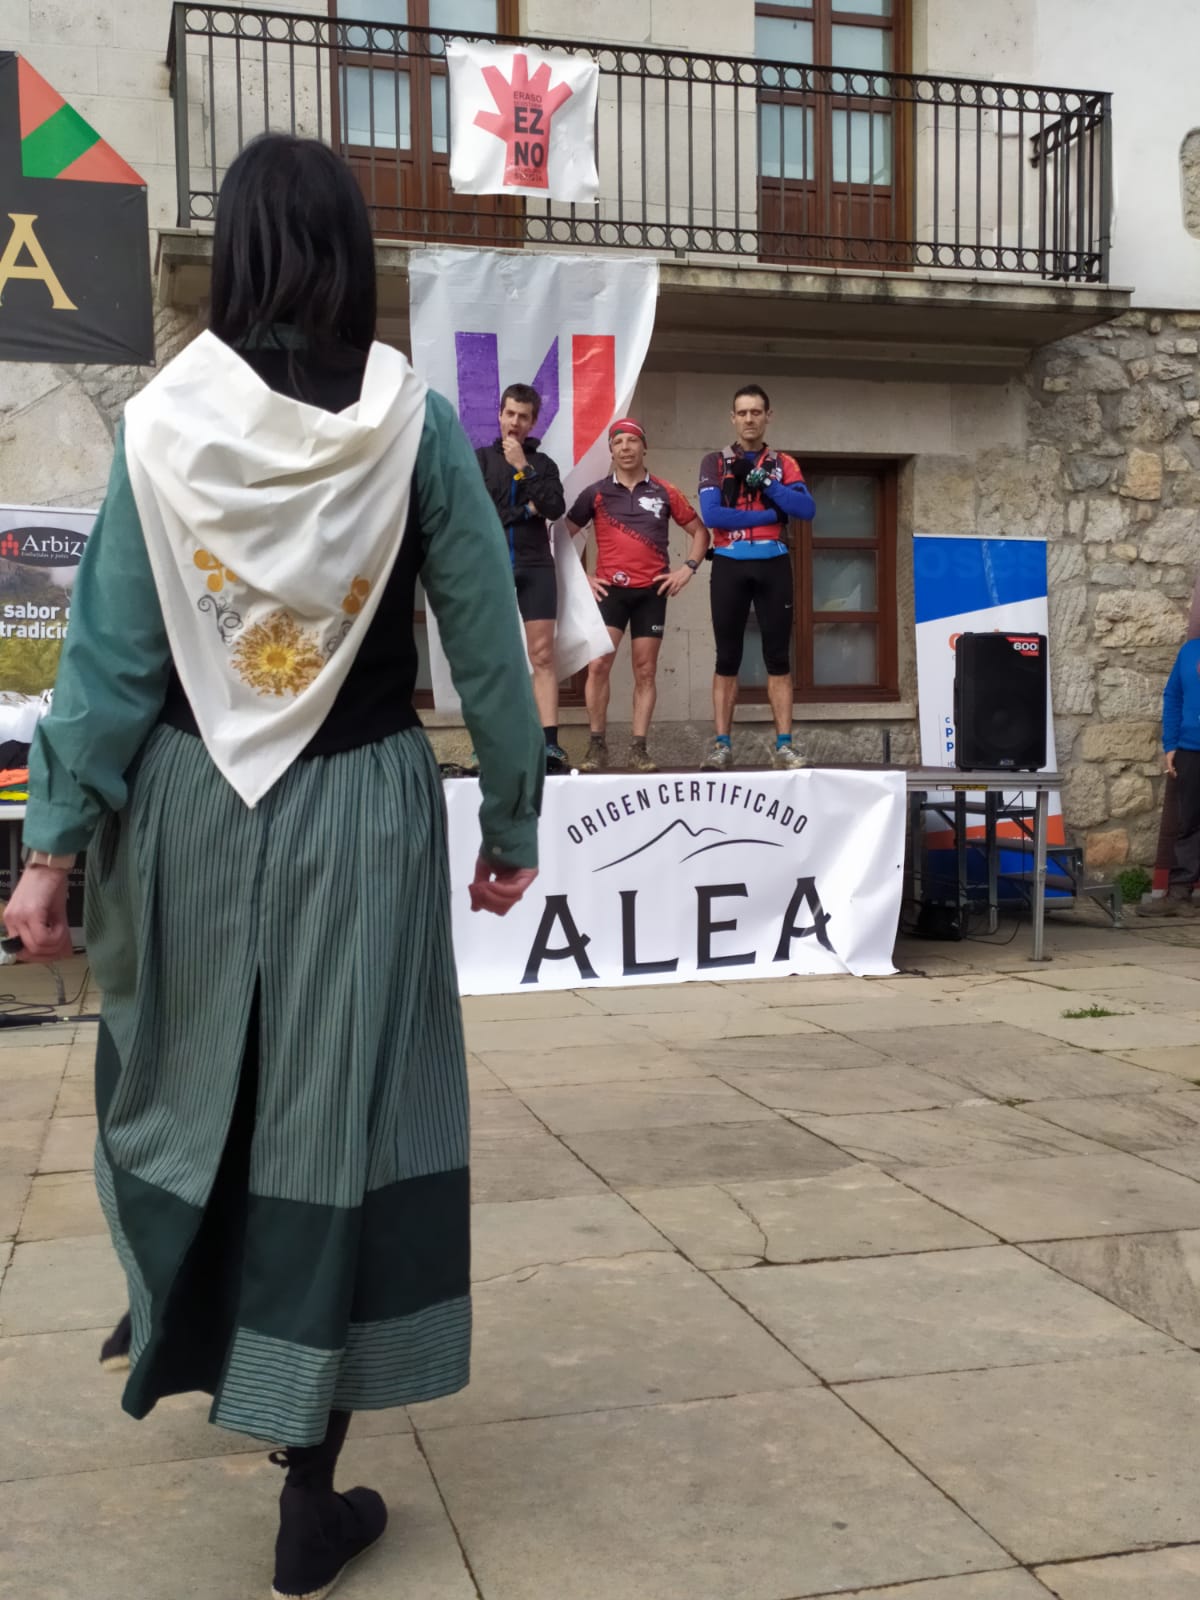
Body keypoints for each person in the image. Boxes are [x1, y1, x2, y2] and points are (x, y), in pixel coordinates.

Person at [3, 133, 544, 1600]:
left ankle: (177, 1307)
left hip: (190, 803)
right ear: (352, 253)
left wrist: (50, 851)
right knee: (338, 1117)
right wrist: (511, 824)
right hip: (361, 802)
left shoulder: (164, 422)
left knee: (191, 1077)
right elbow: (486, 648)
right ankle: (310, 1481)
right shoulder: (412, 424)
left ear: (237, 252)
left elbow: (109, 660)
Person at [566, 418, 705, 773]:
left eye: (632, 441)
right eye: (618, 442)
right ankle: (596, 746)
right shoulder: (596, 493)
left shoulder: (665, 491)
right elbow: (561, 537)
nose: (625, 448)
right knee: (598, 666)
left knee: (645, 671)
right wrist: (581, 578)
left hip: (650, 593)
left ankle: (638, 749)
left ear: (644, 447)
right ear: (611, 451)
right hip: (610, 591)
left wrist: (687, 569)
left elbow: (701, 533)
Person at [697, 383, 815, 771]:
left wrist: (764, 482)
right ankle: (721, 746)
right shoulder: (714, 461)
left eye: (756, 412)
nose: (749, 419)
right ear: (733, 418)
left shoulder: (784, 463)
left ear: (768, 416)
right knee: (727, 656)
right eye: (743, 412)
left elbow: (805, 508)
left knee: (777, 657)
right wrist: (772, 513)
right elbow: (713, 515)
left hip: (773, 564)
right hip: (729, 563)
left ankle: (784, 745)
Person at [475, 384, 569, 772]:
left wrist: (523, 468)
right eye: (510, 414)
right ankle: (490, 745)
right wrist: (525, 511)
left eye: (523, 417)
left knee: (542, 655)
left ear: (533, 422)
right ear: (500, 415)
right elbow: (479, 514)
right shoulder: (479, 460)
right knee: (493, 657)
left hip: (535, 567)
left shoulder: (542, 464)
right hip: (492, 565)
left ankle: (549, 745)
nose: (515, 422)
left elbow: (555, 507)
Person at [1139, 634, 1200, 915]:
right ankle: (1179, 894)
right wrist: (1171, 744)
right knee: (1189, 822)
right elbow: (1173, 696)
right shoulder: (1189, 651)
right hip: (1190, 750)